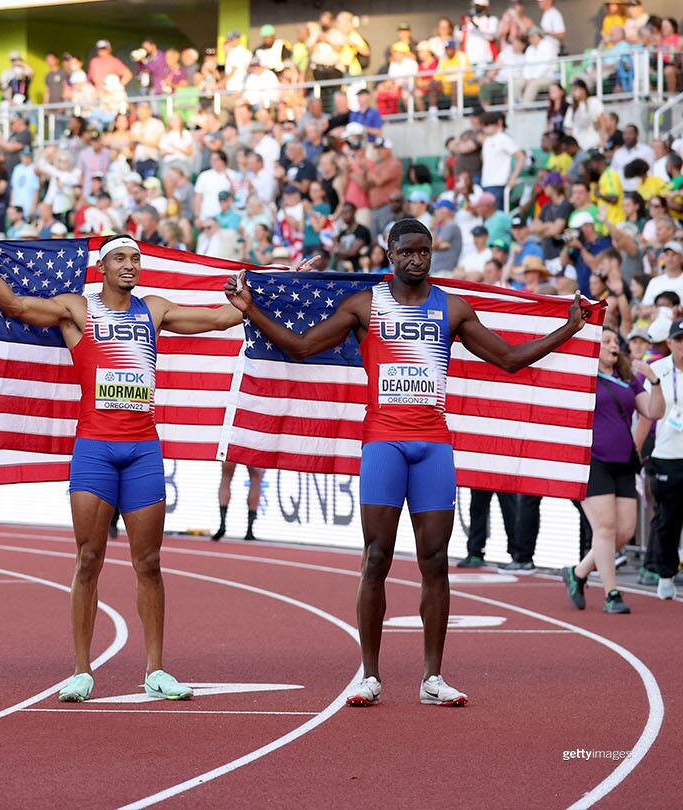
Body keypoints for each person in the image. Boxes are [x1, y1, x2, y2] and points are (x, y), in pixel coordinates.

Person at [226, 217, 586, 707]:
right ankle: (368, 674)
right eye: (407, 252)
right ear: (389, 253)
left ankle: (432, 678)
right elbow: (302, 347)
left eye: (425, 251)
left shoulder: (452, 309)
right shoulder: (365, 305)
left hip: (432, 444)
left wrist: (569, 328)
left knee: (435, 561)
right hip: (383, 443)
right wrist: (250, 310)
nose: (417, 259)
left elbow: (508, 359)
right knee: (376, 557)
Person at [0, 231, 250, 704]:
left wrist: (257, 297)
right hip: (95, 448)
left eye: (135, 258)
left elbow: (221, 319)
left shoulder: (154, 309)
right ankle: (81, 670)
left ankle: (156, 670)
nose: (130, 265)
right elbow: (16, 306)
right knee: (88, 559)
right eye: (120, 258)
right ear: (102, 266)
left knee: (150, 563)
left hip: (142, 448)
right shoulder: (78, 309)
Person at [563, 328, 664, 613]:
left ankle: (578, 572)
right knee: (606, 528)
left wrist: (653, 381)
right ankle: (612, 594)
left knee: (624, 532)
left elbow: (654, 412)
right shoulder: (584, 377)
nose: (612, 345)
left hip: (623, 463)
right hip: (593, 461)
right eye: (605, 340)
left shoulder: (628, 380)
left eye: (614, 342)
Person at [642, 318, 683, 599]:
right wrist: (640, 451)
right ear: (669, 343)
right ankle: (666, 573)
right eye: (679, 340)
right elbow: (645, 412)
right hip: (667, 454)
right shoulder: (657, 370)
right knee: (669, 520)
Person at [212, 462, 262, 540]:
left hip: (233, 449)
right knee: (255, 478)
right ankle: (249, 530)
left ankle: (222, 524)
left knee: (226, 476)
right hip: (251, 450)